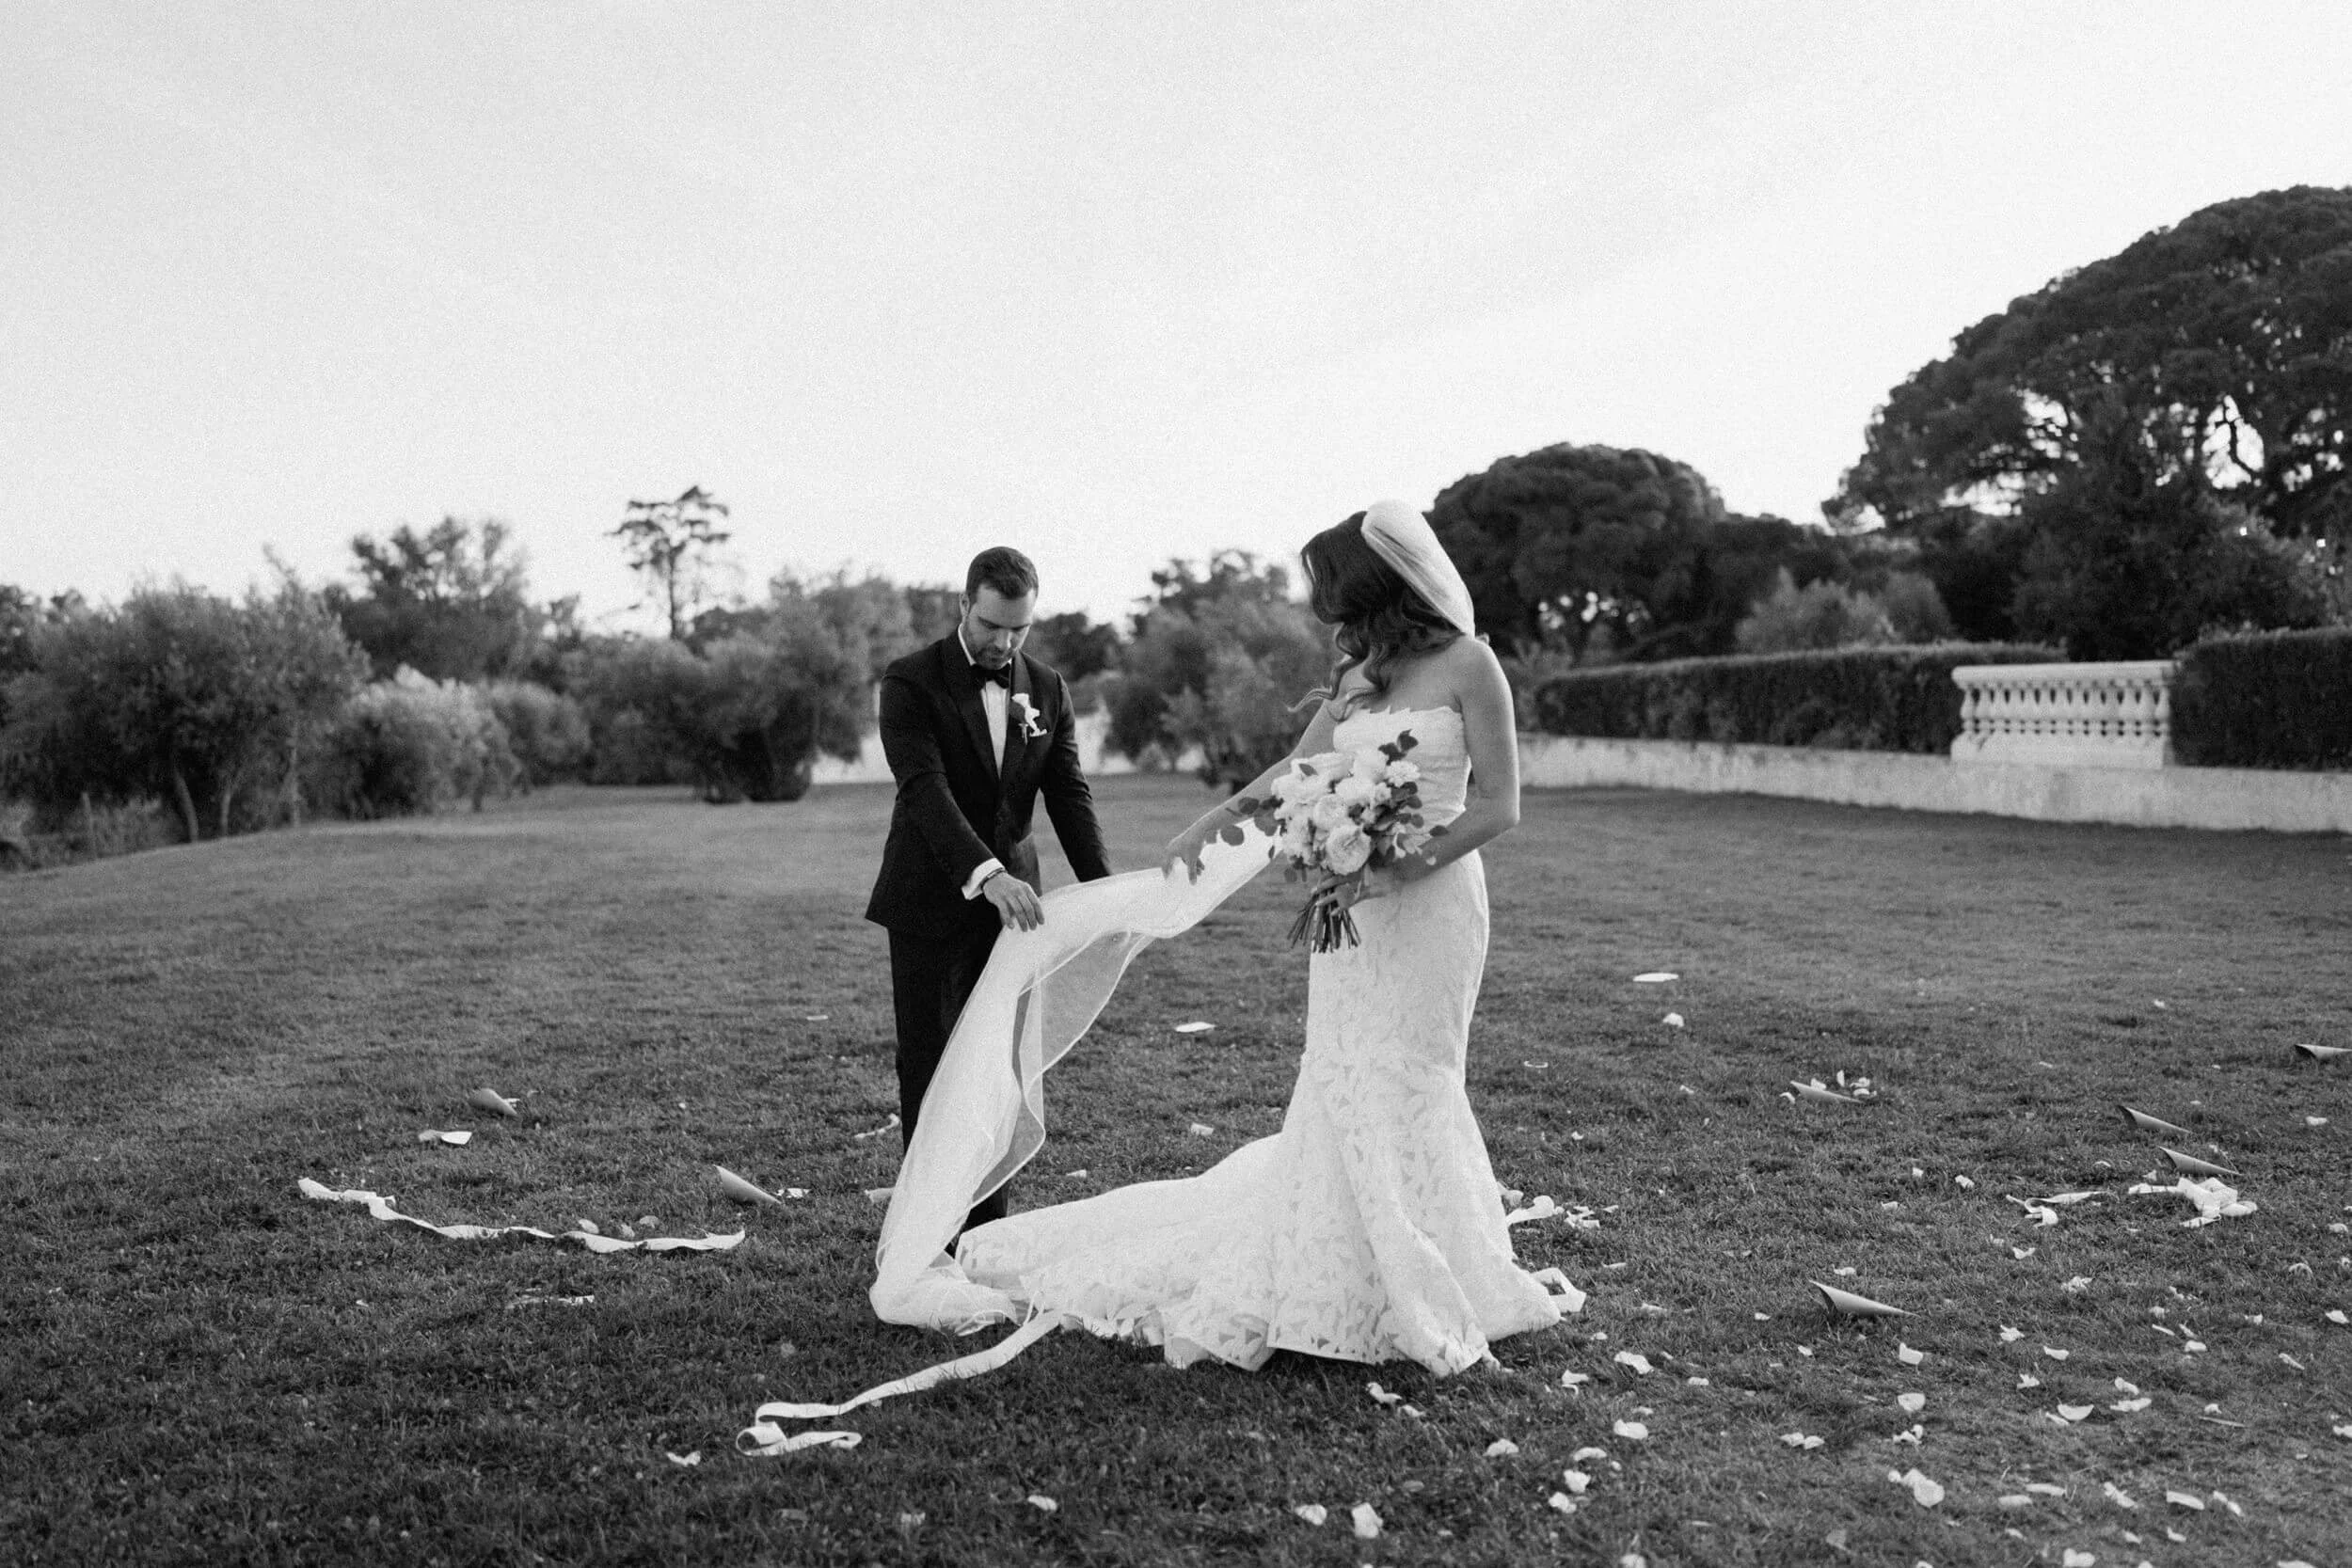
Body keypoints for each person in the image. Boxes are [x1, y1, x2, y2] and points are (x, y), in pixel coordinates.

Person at [945, 500, 1572, 1373]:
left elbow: (1500, 804)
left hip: (1430, 906)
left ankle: (1436, 1259)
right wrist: (1216, 816)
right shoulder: (1360, 671)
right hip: (1347, 906)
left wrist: (1397, 868)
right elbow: (1299, 768)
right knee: (1341, 1068)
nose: (1329, 613)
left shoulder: (1473, 665)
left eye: (1336, 593)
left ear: (1376, 585)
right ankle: (1338, 1264)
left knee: (1417, 1071)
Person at [863, 546, 1112, 1233]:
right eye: (992, 625)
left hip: (1016, 917)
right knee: (933, 1065)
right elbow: (924, 789)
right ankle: (930, 1229)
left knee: (998, 1068)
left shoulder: (1049, 687)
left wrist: (1105, 892)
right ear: (963, 606)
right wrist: (987, 873)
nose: (1005, 642)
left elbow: (1068, 793)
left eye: (1020, 628)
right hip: (928, 900)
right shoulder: (910, 681)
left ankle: (988, 1231)